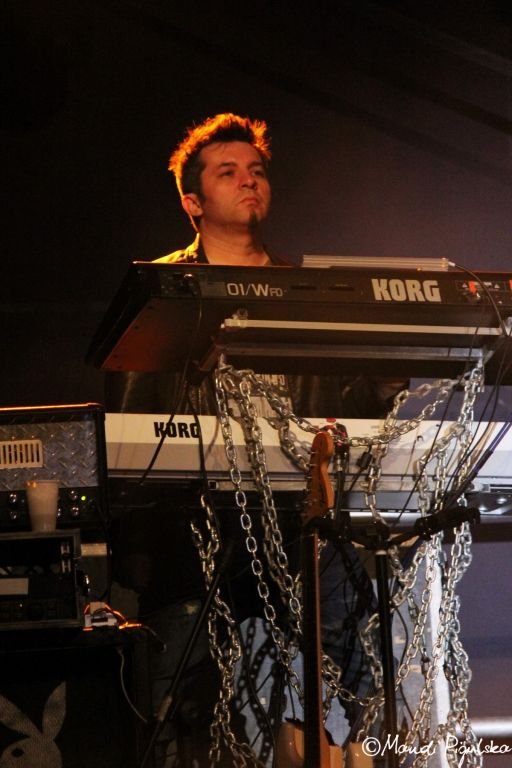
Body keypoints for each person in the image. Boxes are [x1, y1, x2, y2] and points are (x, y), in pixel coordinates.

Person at [107, 113, 404, 767]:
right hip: (195, 541)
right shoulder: (164, 291)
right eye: (228, 171)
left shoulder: (308, 290)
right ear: (193, 202)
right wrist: (135, 557)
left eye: (257, 170)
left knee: (346, 687)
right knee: (190, 723)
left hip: (302, 535)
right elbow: (129, 434)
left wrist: (385, 383)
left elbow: (346, 412)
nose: (249, 181)